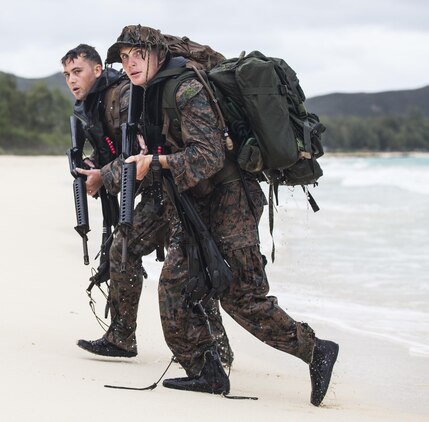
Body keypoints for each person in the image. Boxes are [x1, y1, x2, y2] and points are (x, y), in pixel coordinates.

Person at [90, 24, 338, 406]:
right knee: (174, 286)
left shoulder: (186, 88)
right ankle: (206, 371)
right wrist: (105, 175)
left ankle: (316, 349)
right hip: (195, 204)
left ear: (157, 52)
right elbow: (141, 157)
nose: (130, 62)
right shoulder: (148, 94)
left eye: (138, 53)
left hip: (230, 198)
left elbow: (208, 156)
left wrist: (155, 161)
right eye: (124, 57)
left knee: (242, 297)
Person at [62, 44, 234, 365]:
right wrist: (94, 165)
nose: (72, 80)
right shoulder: (92, 106)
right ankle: (123, 336)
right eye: (67, 75)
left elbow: (140, 149)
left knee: (189, 266)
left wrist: (103, 174)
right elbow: (113, 152)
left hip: (173, 187)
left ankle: (214, 350)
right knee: (129, 252)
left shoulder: (124, 97)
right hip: (157, 190)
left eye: (78, 71)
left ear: (97, 70)